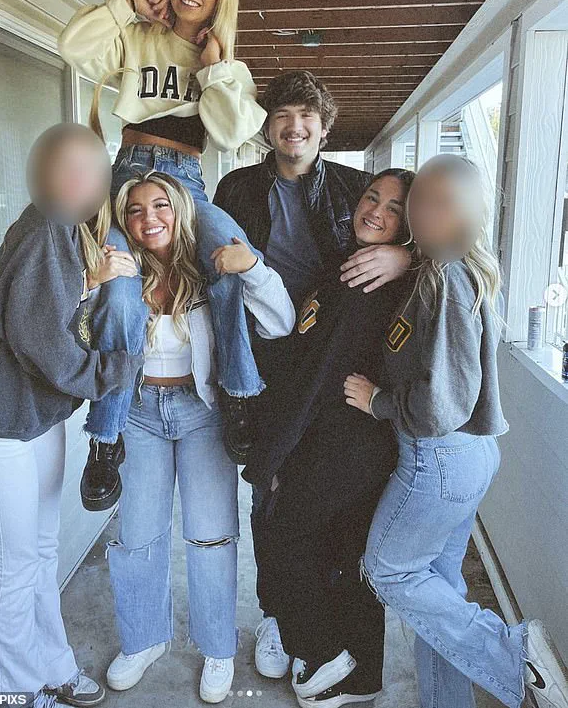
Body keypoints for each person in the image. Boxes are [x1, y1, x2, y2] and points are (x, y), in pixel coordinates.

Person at [344, 154, 568, 708]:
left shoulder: (445, 278)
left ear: (472, 212)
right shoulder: (452, 268)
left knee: (390, 570)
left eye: (442, 202)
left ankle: (513, 655)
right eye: (419, 198)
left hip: (437, 458)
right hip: (469, 456)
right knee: (439, 588)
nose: (424, 210)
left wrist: (378, 402)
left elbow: (443, 404)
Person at [213, 71, 412, 678]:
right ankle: (278, 615)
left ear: (325, 129)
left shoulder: (356, 188)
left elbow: (427, 230)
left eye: (307, 117)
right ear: (266, 126)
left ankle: (315, 618)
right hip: (265, 355)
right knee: (269, 491)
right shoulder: (237, 187)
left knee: (321, 503)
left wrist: (404, 254)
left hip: (334, 346)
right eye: (282, 115)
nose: (294, 127)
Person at [58, 0, 268, 511]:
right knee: (120, 288)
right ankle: (106, 437)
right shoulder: (139, 36)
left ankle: (238, 395)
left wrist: (216, 68)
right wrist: (124, 4)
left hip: (187, 182)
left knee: (231, 257)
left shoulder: (227, 66)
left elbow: (232, 133)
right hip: (128, 177)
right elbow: (73, 47)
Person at [0, 125, 146, 708]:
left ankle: (52, 666)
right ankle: (16, 692)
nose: (89, 183)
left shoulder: (58, 228)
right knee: (11, 572)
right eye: (77, 170)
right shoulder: (45, 227)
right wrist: (113, 370)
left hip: (33, 421)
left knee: (42, 553)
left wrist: (91, 281)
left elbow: (39, 304)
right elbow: (41, 341)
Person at [97, 171, 294, 704]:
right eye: (135, 209)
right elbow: (79, 332)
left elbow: (280, 321)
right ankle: (143, 640)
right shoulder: (121, 272)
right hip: (139, 414)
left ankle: (217, 648)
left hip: (203, 412)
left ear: (181, 210)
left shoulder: (212, 269)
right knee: (137, 535)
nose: (149, 218)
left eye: (160, 205)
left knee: (212, 536)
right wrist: (91, 281)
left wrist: (252, 267)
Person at [244, 169, 414, 707]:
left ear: (409, 224)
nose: (376, 211)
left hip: (345, 444)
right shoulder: (348, 264)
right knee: (342, 551)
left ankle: (322, 655)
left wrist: (272, 455)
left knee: (286, 535)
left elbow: (316, 380)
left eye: (393, 209)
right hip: (336, 440)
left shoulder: (372, 279)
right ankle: (361, 674)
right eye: (372, 197)